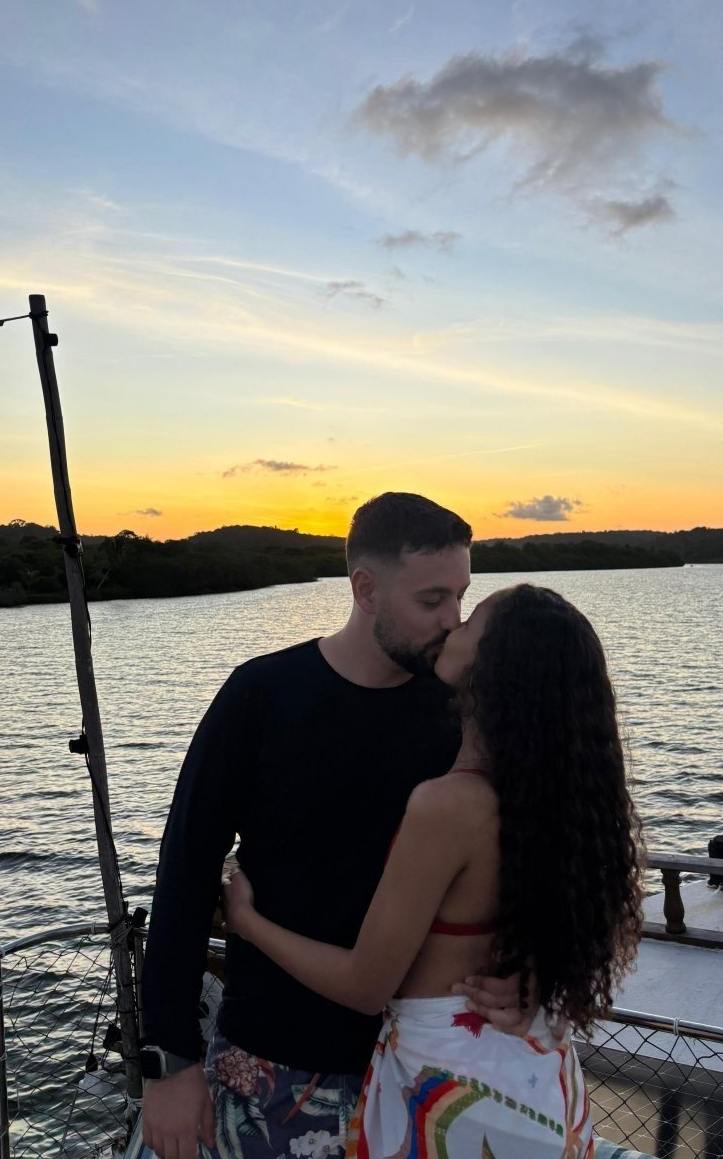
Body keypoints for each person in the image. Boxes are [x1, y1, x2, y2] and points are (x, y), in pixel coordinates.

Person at [141, 493, 525, 1159]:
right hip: (272, 1066)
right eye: (432, 600)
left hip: (428, 1071)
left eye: (462, 597)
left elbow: (530, 851)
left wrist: (532, 970)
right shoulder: (261, 697)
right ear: (366, 589)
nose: (453, 620)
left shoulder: (463, 716)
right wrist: (169, 1063)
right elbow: (185, 871)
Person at [222, 584, 644, 1158]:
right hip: (535, 1077)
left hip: (450, 1090)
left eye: (470, 622)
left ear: (493, 668)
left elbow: (365, 986)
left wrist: (248, 922)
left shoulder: (447, 807)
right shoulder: (546, 795)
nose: (452, 625)